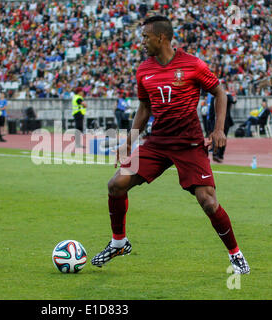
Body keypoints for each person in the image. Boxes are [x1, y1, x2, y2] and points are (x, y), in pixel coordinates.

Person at [91, 16, 250, 275]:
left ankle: (236, 255)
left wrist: (219, 129)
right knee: (116, 185)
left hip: (189, 144)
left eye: (145, 37)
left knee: (208, 201)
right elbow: (144, 108)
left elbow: (220, 92)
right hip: (157, 142)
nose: (142, 42)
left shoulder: (192, 64)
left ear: (161, 38)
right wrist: (127, 143)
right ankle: (119, 243)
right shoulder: (143, 69)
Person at [208, 91, 235, 162]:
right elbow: (211, 112)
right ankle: (215, 154)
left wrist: (227, 93)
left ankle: (221, 154)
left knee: (223, 138)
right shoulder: (213, 98)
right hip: (216, 121)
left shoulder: (227, 96)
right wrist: (210, 124)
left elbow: (233, 101)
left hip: (226, 122)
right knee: (215, 137)